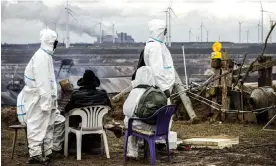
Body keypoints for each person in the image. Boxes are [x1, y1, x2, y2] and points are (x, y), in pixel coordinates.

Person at [16, 28, 59, 164]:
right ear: (50, 42)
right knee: (36, 125)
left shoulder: (46, 56)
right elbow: (43, 83)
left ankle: (47, 152)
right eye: (55, 42)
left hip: (45, 98)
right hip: (39, 99)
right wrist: (46, 102)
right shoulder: (41, 57)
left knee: (48, 125)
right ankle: (35, 154)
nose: (56, 44)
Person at [64, 69, 112, 154]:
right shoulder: (103, 94)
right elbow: (109, 108)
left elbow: (66, 110)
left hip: (79, 128)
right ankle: (94, 145)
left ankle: (74, 145)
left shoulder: (76, 95)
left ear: (83, 82)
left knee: (72, 117)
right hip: (97, 129)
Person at [123, 66, 156, 158]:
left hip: (142, 125)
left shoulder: (135, 91)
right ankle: (145, 145)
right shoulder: (156, 91)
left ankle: (133, 150)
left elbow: (127, 110)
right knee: (135, 120)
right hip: (157, 127)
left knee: (128, 120)